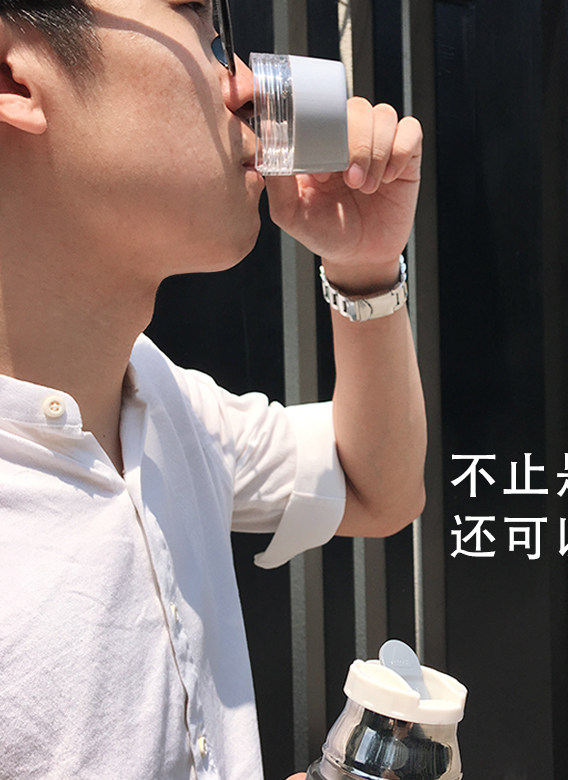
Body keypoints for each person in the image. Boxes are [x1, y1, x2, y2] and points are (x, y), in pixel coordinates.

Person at [0, 1, 426, 778]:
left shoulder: (158, 399)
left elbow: (377, 486)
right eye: (202, 26)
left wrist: (363, 270)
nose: (246, 85)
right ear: (12, 76)